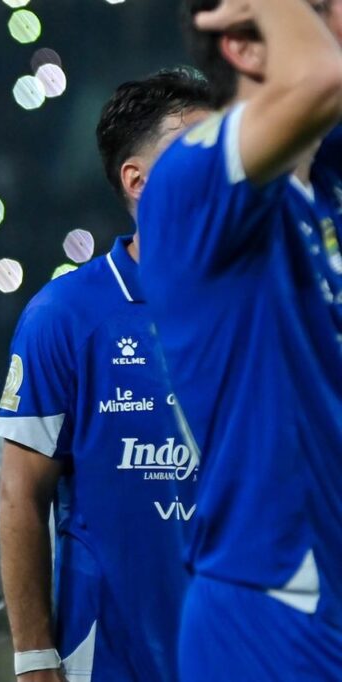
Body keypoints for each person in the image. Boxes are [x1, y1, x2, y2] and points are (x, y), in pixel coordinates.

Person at [138, 0, 342, 679]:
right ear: (246, 49)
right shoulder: (190, 178)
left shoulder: (319, 186)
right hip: (271, 611)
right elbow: (320, 79)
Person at [0, 71, 210, 682]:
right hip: (112, 660)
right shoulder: (66, 315)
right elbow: (21, 496)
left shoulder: (270, 304)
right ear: (137, 181)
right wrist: (34, 658)